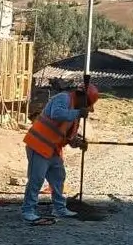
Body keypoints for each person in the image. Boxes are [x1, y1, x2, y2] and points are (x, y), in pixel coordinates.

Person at [21, 84, 99, 222]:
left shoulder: (74, 111)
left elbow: (65, 135)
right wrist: (78, 113)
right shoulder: (63, 99)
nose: (86, 107)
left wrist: (77, 142)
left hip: (53, 149)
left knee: (58, 177)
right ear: (81, 96)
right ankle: (28, 210)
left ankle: (59, 209)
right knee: (36, 179)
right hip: (38, 145)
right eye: (87, 103)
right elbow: (56, 114)